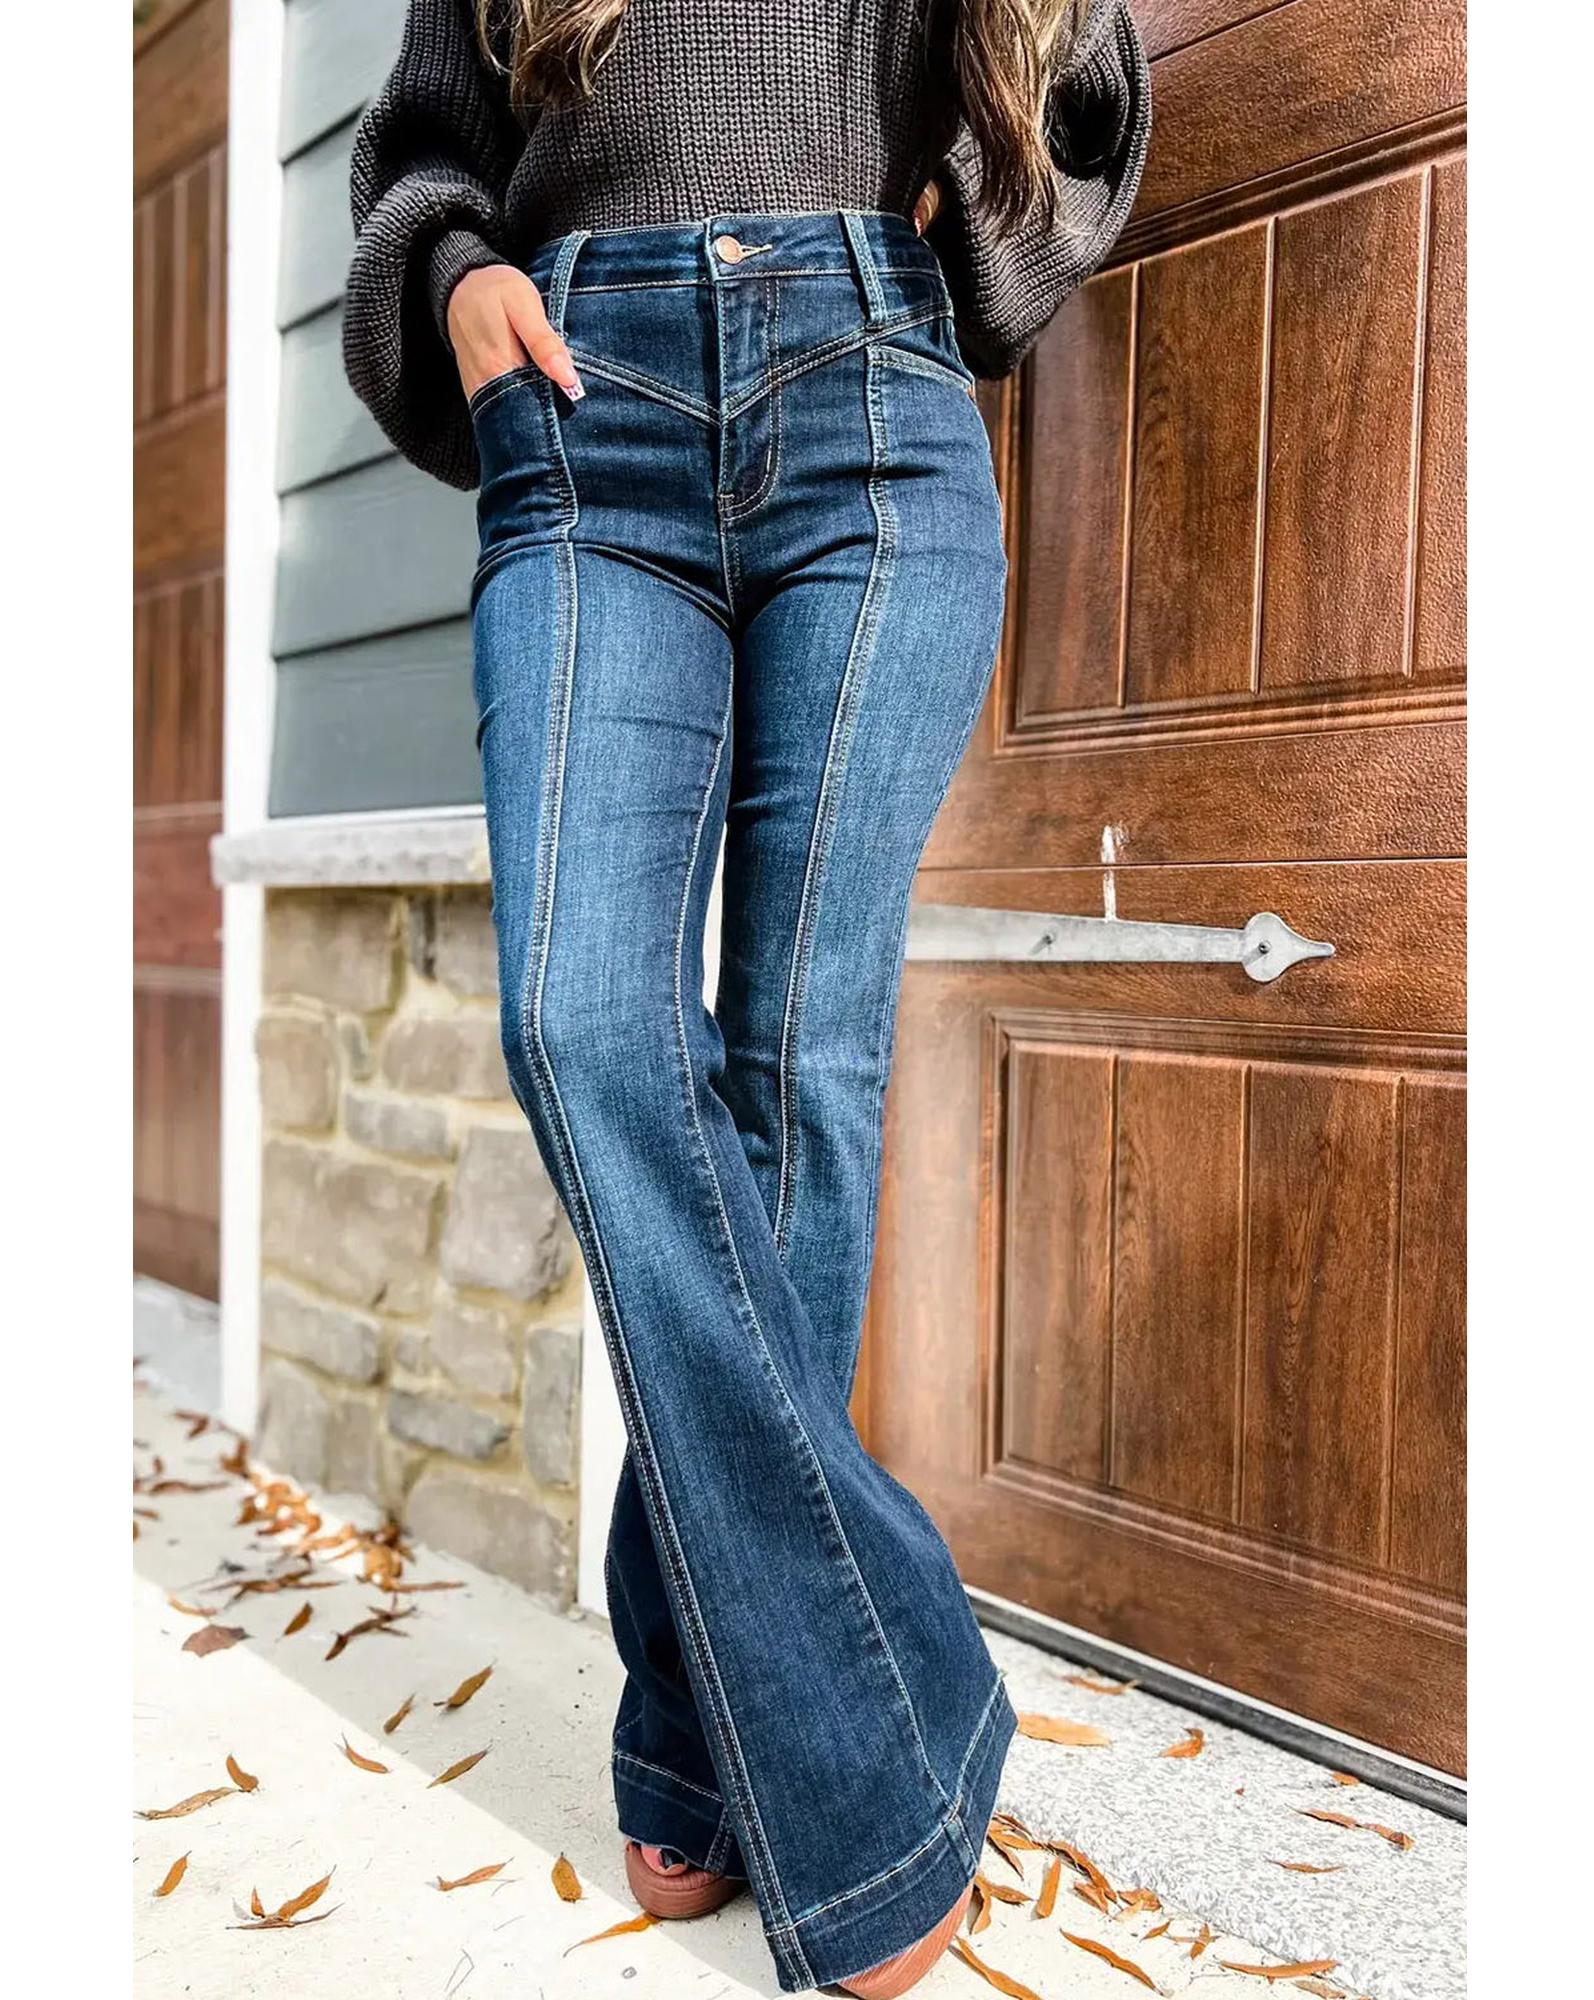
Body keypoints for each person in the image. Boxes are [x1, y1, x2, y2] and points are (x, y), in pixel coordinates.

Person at [344, 4, 1148, 1992]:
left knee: (798, 1072)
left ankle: (696, 1736)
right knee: (580, 1023)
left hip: (866, 400)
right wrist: (454, 280)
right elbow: (423, 148)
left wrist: (959, 203)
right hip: (578, 411)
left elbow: (1086, 88)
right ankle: (880, 1728)